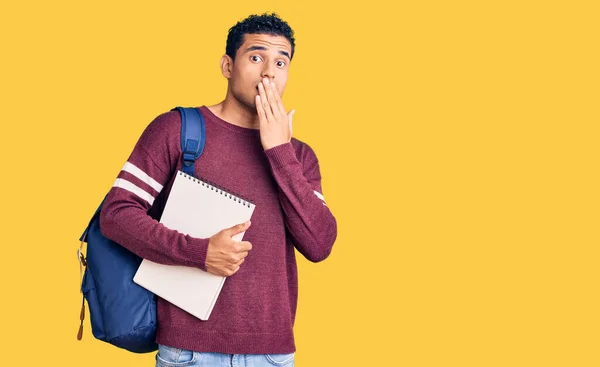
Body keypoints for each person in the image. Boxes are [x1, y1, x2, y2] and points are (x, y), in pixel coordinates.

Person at [99, 12, 337, 367]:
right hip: (188, 352)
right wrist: (199, 252)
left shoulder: (298, 155)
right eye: (256, 57)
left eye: (280, 62)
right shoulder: (176, 129)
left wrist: (278, 151)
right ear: (228, 65)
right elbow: (116, 215)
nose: (269, 72)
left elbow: (319, 245)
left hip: (273, 355)